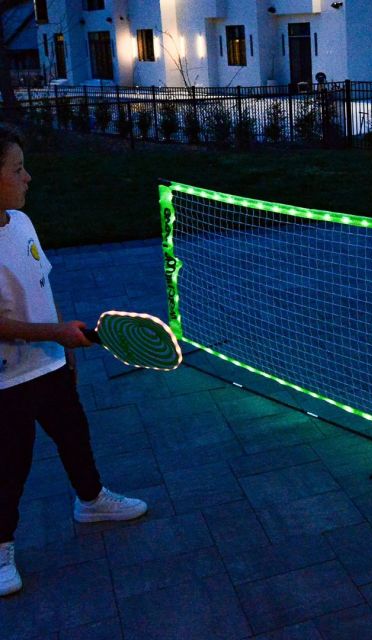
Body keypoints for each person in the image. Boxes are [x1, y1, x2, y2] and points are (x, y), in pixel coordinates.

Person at [0, 124, 148, 597]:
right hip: (7, 381)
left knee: (74, 435)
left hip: (49, 364)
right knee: (10, 464)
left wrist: (63, 345)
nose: (29, 177)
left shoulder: (21, 223)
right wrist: (56, 335)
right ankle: (1, 547)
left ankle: (91, 500)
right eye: (17, 169)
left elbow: (43, 285)